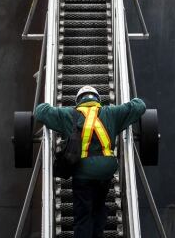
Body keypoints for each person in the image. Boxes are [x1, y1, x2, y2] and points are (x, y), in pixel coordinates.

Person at [34, 85, 146, 238]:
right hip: (106, 172)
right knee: (99, 210)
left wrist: (46, 103)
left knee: (83, 215)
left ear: (79, 101)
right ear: (97, 99)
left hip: (82, 173)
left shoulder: (69, 114)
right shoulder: (112, 113)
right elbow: (140, 106)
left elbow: (40, 112)